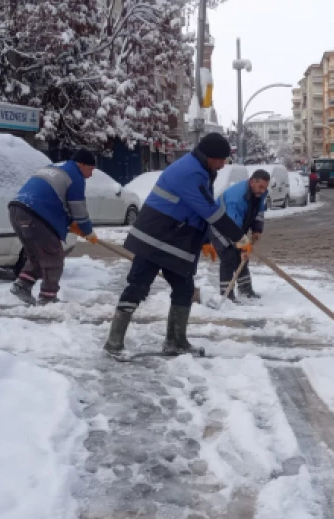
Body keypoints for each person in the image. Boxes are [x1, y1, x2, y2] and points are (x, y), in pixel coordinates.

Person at [104, 133, 249, 357]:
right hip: (155, 239)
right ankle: (114, 343)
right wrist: (239, 237)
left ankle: (176, 342)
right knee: (138, 287)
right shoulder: (190, 172)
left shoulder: (201, 169)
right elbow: (208, 210)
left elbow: (195, 211)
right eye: (221, 159)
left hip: (175, 240)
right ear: (210, 157)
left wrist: (205, 241)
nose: (223, 164)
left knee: (184, 289)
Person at [8, 150, 99, 305]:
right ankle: (47, 298)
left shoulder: (55, 168)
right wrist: (87, 231)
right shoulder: (75, 176)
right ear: (82, 164)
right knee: (53, 258)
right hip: (36, 214)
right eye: (91, 169)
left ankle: (22, 286)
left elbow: (55, 200)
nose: (90, 175)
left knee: (37, 255)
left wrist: (71, 223)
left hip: (17, 210)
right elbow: (78, 209)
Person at [211, 170, 269, 301]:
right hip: (218, 226)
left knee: (242, 259)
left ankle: (246, 290)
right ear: (251, 182)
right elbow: (233, 226)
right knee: (229, 256)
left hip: (236, 227)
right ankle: (226, 295)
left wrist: (257, 229)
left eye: (265, 187)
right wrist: (243, 247)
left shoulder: (260, 193)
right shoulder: (236, 198)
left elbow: (259, 211)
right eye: (260, 187)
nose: (263, 190)